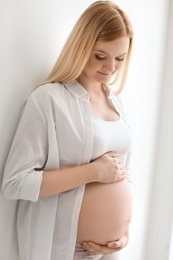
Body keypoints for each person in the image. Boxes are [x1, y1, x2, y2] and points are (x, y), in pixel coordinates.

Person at [2, 1, 134, 259]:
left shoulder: (117, 104)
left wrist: (124, 233)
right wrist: (92, 172)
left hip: (108, 254)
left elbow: (124, 175)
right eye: (100, 56)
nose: (110, 68)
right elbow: (14, 183)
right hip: (61, 249)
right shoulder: (48, 100)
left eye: (120, 58)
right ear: (82, 45)